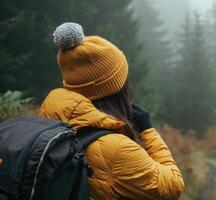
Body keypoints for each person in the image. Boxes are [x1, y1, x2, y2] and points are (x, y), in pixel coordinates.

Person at [39, 22, 184, 200]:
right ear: (114, 88)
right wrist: (148, 131)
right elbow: (173, 186)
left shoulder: (48, 118)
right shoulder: (115, 148)